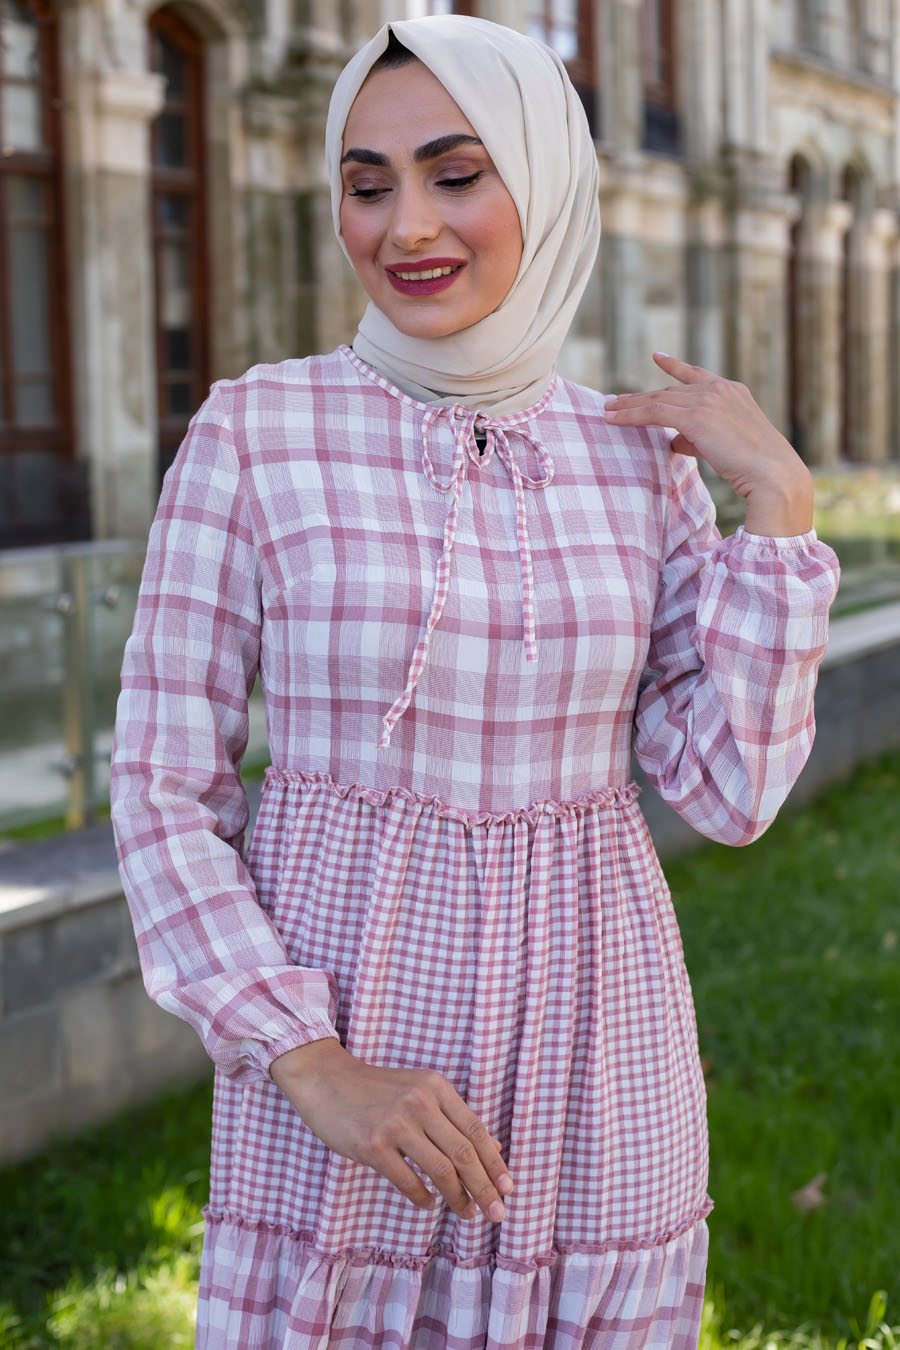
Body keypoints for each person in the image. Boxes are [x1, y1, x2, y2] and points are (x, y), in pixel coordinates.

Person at [109, 14, 840, 1349]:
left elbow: (728, 789)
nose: (405, 228)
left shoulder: (634, 458)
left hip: (596, 1050)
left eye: (456, 173)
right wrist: (310, 1059)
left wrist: (779, 510)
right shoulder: (256, 433)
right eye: (367, 183)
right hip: (346, 1056)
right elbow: (163, 786)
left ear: (545, 181)